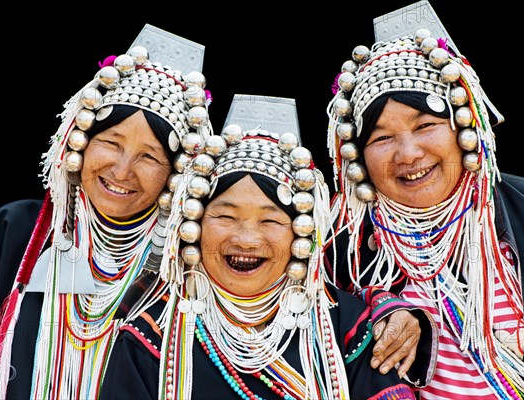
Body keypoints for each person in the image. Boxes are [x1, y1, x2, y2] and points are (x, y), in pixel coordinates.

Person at [324, 1, 524, 399]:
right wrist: (381, 305)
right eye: (382, 138)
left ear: (465, 124)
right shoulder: (344, 251)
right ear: (358, 156)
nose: (407, 154)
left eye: (425, 125)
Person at [98, 111, 434, 399]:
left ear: (301, 233)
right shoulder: (153, 339)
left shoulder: (348, 329)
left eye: (270, 220)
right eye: (226, 216)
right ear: (194, 226)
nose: (246, 239)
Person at [0, 36, 213, 399]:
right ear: (79, 142)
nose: (122, 170)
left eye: (149, 157)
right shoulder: (17, 231)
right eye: (111, 143)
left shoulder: (184, 267)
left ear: (176, 173)